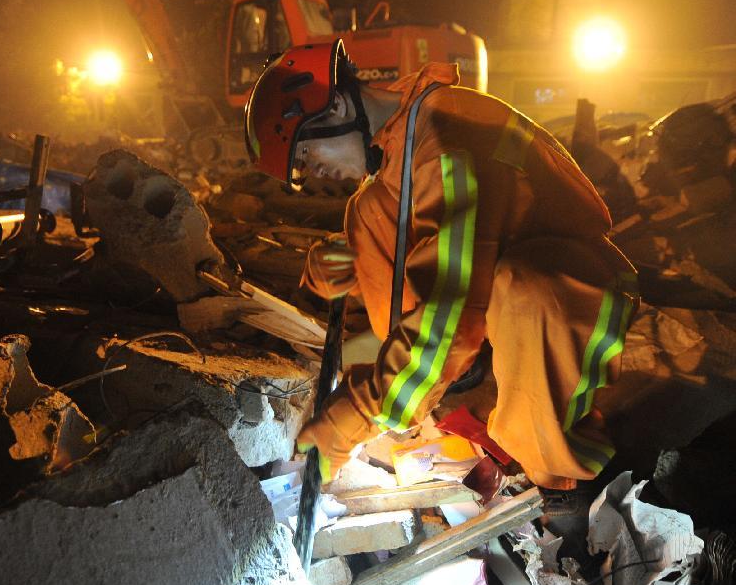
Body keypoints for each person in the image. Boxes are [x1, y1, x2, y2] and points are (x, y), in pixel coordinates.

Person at [244, 39, 638, 513]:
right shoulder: (402, 141)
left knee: (526, 289)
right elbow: (420, 237)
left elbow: (450, 301)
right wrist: (340, 259)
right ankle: (419, 384)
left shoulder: (443, 136)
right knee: (366, 210)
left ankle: (569, 485)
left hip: (573, 288)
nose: (314, 171)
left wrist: (356, 413)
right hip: (499, 288)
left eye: (306, 153)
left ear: (340, 104)